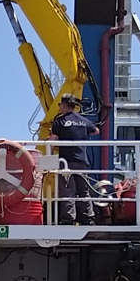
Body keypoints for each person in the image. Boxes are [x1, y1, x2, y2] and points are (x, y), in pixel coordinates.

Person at [47, 92, 99, 225]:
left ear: (63, 106)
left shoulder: (59, 121)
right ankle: (88, 218)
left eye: (60, 105)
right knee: (83, 191)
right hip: (82, 161)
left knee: (67, 191)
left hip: (66, 162)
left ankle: (68, 220)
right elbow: (96, 131)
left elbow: (52, 140)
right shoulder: (83, 120)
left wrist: (49, 158)